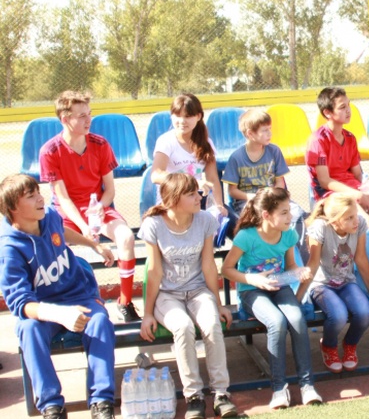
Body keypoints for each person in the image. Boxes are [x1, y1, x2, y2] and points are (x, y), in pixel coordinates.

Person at [0, 174, 116, 419]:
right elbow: (21, 304)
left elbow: (61, 231)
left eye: (38, 193)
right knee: (28, 329)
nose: (40, 199)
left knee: (100, 321)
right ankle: (52, 406)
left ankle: (101, 401)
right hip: (43, 308)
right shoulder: (9, 249)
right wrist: (60, 314)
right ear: (13, 208)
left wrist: (93, 244)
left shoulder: (49, 215)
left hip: (79, 295)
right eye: (31, 197)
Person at [138, 173, 237, 419]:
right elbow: (154, 271)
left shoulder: (205, 220)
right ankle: (194, 396)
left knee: (212, 324)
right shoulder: (153, 224)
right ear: (173, 199)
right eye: (191, 194)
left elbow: (208, 265)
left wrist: (219, 304)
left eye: (197, 192)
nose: (198, 197)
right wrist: (148, 313)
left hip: (198, 291)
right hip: (167, 295)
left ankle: (221, 394)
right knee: (182, 327)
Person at [39, 90, 140, 322]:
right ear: (65, 119)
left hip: (97, 209)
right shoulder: (50, 151)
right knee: (52, 245)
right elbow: (63, 198)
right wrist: (84, 228)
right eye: (82, 116)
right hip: (67, 214)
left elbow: (110, 190)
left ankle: (125, 302)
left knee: (126, 237)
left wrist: (100, 207)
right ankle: (63, 303)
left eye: (89, 114)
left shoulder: (100, 144)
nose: (89, 120)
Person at [221, 188, 322, 410]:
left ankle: (307, 385)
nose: (290, 217)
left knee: (297, 319)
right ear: (266, 215)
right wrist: (253, 279)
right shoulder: (246, 236)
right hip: (251, 291)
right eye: (284, 213)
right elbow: (226, 270)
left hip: (278, 286)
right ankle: (279, 388)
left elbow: (290, 266)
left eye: (289, 211)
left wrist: (300, 272)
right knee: (276, 322)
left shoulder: (288, 234)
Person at [296, 193, 369, 373]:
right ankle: (328, 346)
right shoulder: (320, 227)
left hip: (346, 281)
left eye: (355, 215)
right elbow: (313, 264)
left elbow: (360, 258)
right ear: (334, 222)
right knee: (338, 316)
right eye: (349, 218)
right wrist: (298, 297)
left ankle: (350, 344)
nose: (355, 221)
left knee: (364, 313)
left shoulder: (360, 224)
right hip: (321, 284)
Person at [222, 108, 308, 259]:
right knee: (259, 220)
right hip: (249, 202)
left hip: (273, 198)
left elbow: (279, 182)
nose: (270, 133)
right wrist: (251, 197)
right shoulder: (236, 157)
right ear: (250, 134)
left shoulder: (274, 151)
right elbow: (232, 191)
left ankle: (298, 259)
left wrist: (276, 197)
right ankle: (265, 258)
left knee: (298, 214)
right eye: (265, 130)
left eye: (270, 129)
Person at [306, 86, 369, 226]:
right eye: (342, 107)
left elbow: (357, 174)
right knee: (366, 222)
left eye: (348, 105)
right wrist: (357, 194)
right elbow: (325, 181)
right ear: (327, 112)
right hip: (332, 194)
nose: (348, 110)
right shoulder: (318, 140)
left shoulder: (350, 138)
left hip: (354, 189)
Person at [151, 93, 228, 214]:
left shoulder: (206, 143)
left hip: (197, 202)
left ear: (198, 116)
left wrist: (219, 206)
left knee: (231, 221)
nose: (182, 121)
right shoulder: (165, 141)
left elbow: (213, 179)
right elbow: (156, 175)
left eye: (188, 116)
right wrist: (191, 183)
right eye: (177, 115)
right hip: (171, 202)